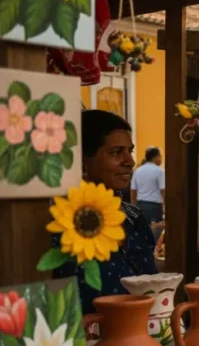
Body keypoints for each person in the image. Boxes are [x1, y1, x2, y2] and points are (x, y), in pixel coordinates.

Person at [52, 111, 158, 313]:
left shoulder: (134, 217)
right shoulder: (60, 223)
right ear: (82, 160)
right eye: (116, 152)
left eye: (130, 151)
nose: (130, 161)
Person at [130, 146, 165, 226]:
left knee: (142, 230)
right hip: (154, 208)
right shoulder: (159, 171)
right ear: (155, 157)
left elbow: (133, 191)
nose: (161, 159)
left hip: (140, 206)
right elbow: (163, 190)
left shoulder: (137, 171)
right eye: (160, 156)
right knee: (155, 231)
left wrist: (134, 208)